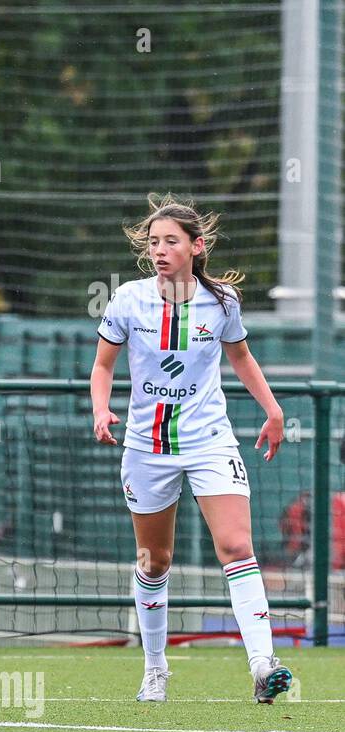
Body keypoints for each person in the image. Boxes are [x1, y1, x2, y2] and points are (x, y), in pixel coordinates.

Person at [91, 193, 291, 703]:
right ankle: (156, 668)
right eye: (153, 242)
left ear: (195, 246)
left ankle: (263, 665)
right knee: (154, 561)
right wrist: (100, 408)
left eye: (170, 241)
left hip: (209, 441)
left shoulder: (222, 301)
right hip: (147, 447)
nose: (159, 250)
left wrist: (273, 410)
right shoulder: (128, 300)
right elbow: (103, 366)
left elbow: (241, 357)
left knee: (237, 547)